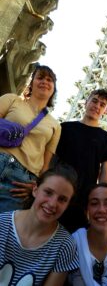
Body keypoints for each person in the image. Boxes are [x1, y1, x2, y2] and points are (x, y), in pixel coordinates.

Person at [0, 164, 79, 285]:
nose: (53, 204)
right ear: (35, 189)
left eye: (62, 199)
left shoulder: (65, 245)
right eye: (48, 192)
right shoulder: (2, 225)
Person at [0, 64, 61, 213]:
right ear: (31, 83)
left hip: (20, 180)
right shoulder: (12, 100)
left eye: (49, 80)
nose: (44, 82)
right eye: (40, 77)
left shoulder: (55, 125)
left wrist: (36, 186)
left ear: (53, 89)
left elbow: (45, 166)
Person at [55, 89, 107, 232]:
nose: (97, 106)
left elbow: (105, 173)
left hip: (83, 199)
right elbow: (53, 159)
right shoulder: (65, 128)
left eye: (102, 105)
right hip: (58, 190)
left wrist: (100, 200)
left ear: (105, 111)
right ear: (85, 102)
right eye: (94, 101)